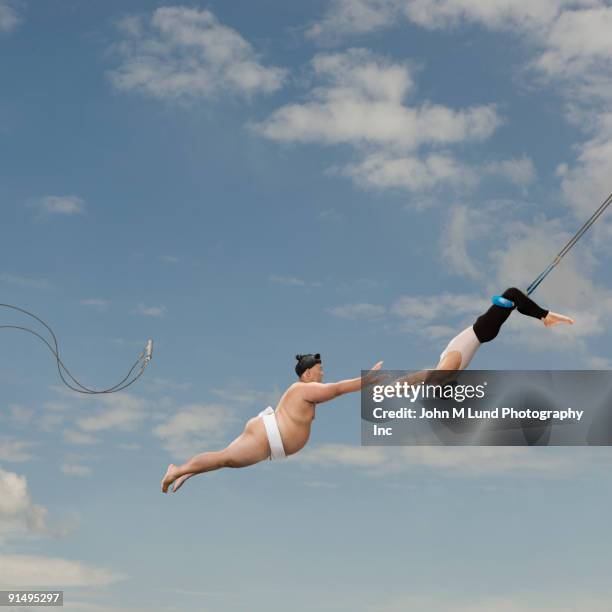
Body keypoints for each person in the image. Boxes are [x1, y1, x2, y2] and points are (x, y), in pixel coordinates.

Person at [161, 354, 383, 493]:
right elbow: (338, 389)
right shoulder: (304, 388)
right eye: (319, 370)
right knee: (225, 459)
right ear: (307, 373)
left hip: (268, 436)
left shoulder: (303, 390)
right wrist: (366, 380)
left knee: (224, 459)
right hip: (267, 437)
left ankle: (185, 471)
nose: (323, 374)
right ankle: (177, 470)